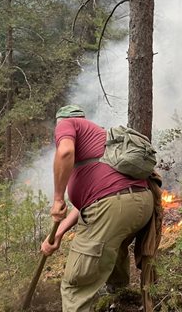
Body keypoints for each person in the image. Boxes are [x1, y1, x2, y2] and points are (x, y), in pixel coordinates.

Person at [40, 105, 155, 312]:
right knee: (114, 244)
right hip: (141, 202)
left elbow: (65, 152)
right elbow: (90, 203)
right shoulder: (101, 139)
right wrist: (59, 232)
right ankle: (121, 298)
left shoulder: (66, 124)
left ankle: (116, 298)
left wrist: (58, 198)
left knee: (75, 284)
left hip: (113, 207)